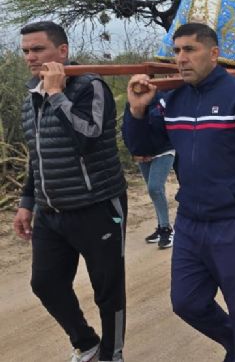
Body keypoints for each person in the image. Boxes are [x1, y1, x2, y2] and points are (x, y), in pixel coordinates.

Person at [124, 23, 235, 361]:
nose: (181, 58)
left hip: (234, 221)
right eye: (176, 51)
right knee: (186, 302)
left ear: (213, 53)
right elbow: (145, 146)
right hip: (190, 222)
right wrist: (137, 111)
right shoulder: (173, 99)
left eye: (189, 50)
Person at [13, 21, 127, 362]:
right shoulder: (30, 95)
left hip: (97, 206)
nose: (30, 57)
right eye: (25, 51)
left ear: (62, 51)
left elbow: (88, 138)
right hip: (51, 211)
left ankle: (112, 353)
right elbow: (39, 156)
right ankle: (87, 343)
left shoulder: (90, 87)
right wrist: (27, 202)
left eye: (38, 49)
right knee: (45, 283)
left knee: (107, 290)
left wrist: (56, 93)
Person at [122, 92, 175, 249]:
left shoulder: (163, 100)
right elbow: (127, 127)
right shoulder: (130, 102)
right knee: (154, 191)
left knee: (155, 188)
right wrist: (134, 151)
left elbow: (167, 127)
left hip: (164, 150)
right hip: (142, 153)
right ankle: (161, 226)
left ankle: (167, 229)